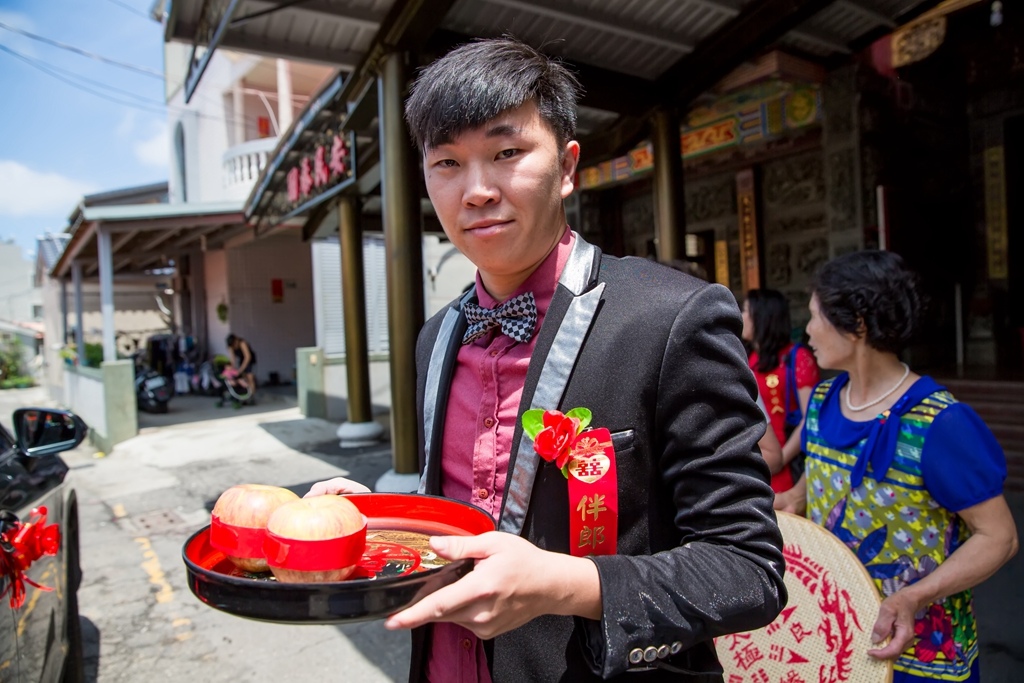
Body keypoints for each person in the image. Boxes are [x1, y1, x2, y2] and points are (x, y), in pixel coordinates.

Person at [309, 37, 785, 682]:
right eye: (447, 162)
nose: (476, 190)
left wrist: (562, 584)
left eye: (506, 153)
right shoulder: (435, 337)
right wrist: (370, 526)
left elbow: (747, 569)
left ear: (566, 167)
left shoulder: (672, 317)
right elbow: (453, 513)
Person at [775, 250, 1018, 682]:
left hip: (924, 655)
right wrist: (791, 499)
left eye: (815, 317)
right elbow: (820, 479)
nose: (807, 332)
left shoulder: (938, 423)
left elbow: (999, 537)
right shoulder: (827, 401)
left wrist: (917, 595)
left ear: (858, 325)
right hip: (835, 639)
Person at [740, 288, 819, 493]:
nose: (741, 316)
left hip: (785, 467)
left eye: (746, 310)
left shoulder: (797, 357)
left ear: (763, 316)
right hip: (756, 463)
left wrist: (781, 457)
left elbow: (810, 417)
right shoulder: (747, 359)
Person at [225, 334, 256, 401]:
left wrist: (240, 370)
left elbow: (248, 357)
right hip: (242, 360)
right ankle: (245, 395)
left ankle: (251, 397)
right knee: (244, 378)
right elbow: (233, 358)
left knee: (250, 377)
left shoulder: (242, 343)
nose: (234, 346)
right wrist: (230, 369)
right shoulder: (231, 347)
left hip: (250, 360)